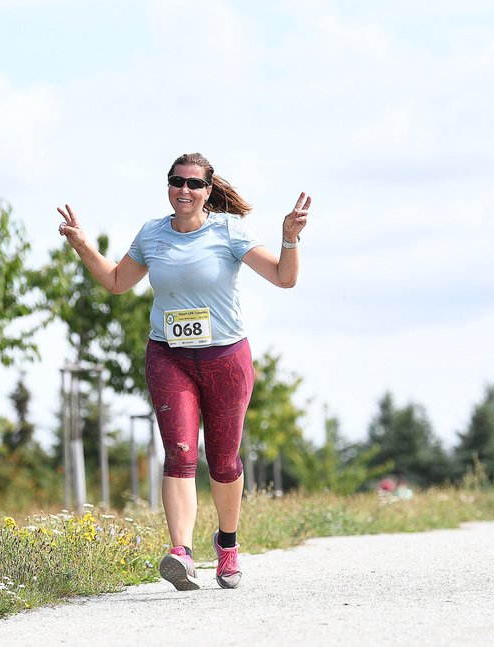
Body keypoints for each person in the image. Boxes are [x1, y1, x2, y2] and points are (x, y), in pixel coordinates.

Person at [57, 152, 310, 590]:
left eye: (194, 183)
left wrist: (289, 239)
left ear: (208, 190)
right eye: (177, 182)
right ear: (168, 186)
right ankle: (181, 553)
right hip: (169, 356)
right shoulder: (152, 235)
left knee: (225, 460)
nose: (185, 190)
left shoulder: (229, 231)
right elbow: (117, 282)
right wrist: (81, 244)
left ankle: (227, 546)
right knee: (179, 452)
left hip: (225, 358)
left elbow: (284, 279)